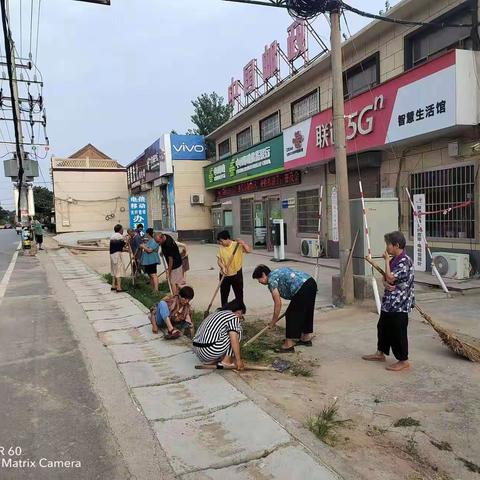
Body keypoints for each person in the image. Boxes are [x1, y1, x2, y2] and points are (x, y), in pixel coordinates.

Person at [362, 231, 414, 372]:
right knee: (383, 327)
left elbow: (391, 277)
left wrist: (385, 262)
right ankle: (380, 353)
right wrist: (385, 283)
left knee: (398, 331)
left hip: (400, 303)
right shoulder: (394, 259)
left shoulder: (405, 261)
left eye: (388, 245)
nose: (386, 248)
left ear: (396, 245)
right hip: (389, 302)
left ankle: (403, 360)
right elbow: (386, 278)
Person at [252, 265, 317, 353]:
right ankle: (306, 338)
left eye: (258, 279)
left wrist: (273, 322)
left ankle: (288, 345)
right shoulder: (277, 272)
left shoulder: (271, 280)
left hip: (302, 287)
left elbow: (278, 304)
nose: (259, 282)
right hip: (310, 282)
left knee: (290, 314)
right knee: (306, 311)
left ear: (263, 274)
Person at [192, 299, 246, 370]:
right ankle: (226, 361)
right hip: (207, 351)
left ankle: (212, 359)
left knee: (227, 331)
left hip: (197, 350)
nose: (240, 318)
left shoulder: (217, 313)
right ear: (238, 312)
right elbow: (234, 339)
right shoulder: (233, 317)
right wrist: (239, 360)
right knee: (237, 331)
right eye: (241, 315)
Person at [216, 230, 251, 306]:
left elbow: (248, 251)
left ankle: (240, 311)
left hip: (236, 273)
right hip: (224, 274)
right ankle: (224, 311)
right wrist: (222, 267)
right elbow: (219, 261)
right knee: (224, 295)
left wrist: (243, 243)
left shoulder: (237, 245)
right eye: (219, 242)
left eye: (221, 241)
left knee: (239, 294)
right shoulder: (221, 248)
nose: (220, 243)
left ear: (227, 238)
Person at [109, 224, 127, 292]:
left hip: (112, 254)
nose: (123, 230)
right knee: (119, 270)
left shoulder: (112, 235)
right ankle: (119, 287)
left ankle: (113, 285)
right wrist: (127, 240)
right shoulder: (119, 236)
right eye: (122, 229)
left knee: (113, 270)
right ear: (120, 230)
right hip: (117, 254)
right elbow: (123, 244)